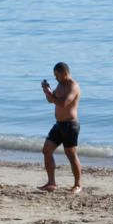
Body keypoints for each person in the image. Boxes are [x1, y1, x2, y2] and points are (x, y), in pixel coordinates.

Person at [40, 62, 82, 194]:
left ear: (64, 73)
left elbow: (63, 103)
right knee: (47, 150)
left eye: (57, 75)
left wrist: (49, 93)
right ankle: (51, 183)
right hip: (59, 125)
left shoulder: (73, 86)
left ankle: (77, 185)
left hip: (70, 125)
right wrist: (46, 90)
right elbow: (51, 100)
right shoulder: (60, 85)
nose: (55, 78)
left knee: (70, 154)